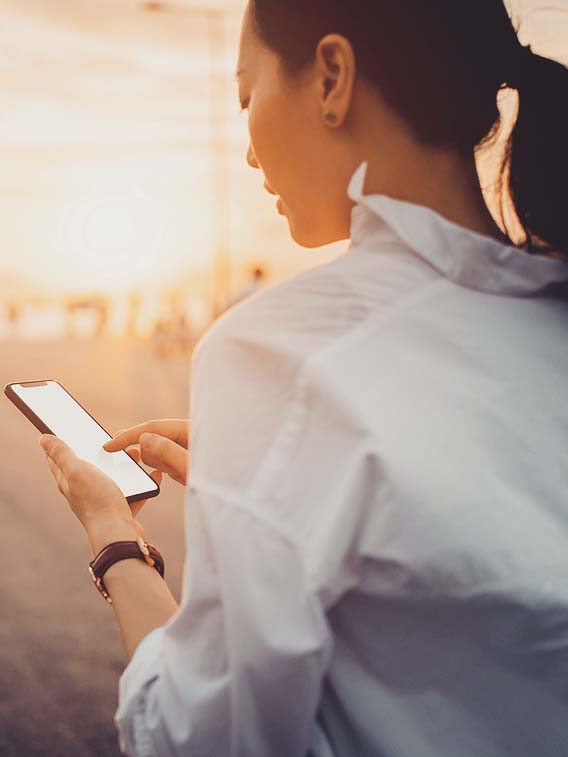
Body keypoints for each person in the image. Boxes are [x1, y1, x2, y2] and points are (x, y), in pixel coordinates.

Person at [39, 1, 568, 755]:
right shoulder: (548, 316)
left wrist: (114, 539)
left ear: (331, 76)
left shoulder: (279, 353)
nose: (249, 153)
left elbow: (198, 739)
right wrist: (277, 477)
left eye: (247, 94)